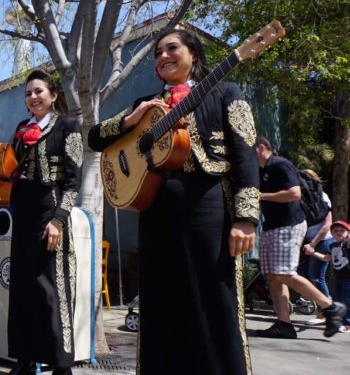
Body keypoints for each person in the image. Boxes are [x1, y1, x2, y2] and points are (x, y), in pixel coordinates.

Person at [87, 31, 260, 375]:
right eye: (158, 52)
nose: (163, 56)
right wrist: (130, 120)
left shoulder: (225, 92)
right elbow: (94, 139)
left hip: (207, 212)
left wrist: (246, 218)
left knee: (213, 305)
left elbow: (246, 155)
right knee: (160, 308)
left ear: (193, 54)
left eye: (172, 48)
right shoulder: (147, 103)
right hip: (156, 216)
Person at [0, 69, 82, 375]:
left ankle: (61, 364)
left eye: (39, 91)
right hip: (23, 213)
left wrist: (59, 220)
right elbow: (7, 167)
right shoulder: (20, 129)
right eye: (28, 93)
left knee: (52, 291)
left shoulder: (67, 126)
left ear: (53, 96)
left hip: (49, 210)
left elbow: (73, 181)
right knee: (23, 289)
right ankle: (25, 359)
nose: (33, 97)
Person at [255, 136, 346, 338]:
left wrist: (260, 196)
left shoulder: (280, 164)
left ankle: (331, 307)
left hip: (289, 225)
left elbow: (294, 194)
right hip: (272, 227)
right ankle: (284, 325)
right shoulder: (264, 171)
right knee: (272, 277)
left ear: (261, 148)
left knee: (284, 273)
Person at [297, 169, 333, 311]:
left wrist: (313, 244)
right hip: (309, 241)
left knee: (317, 276)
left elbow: (327, 224)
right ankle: (309, 300)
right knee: (302, 272)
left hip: (322, 241)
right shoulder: (302, 198)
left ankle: (327, 311)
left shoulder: (322, 196)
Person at [305, 220, 350, 333]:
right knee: (339, 300)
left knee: (346, 301)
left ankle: (348, 324)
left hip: (348, 278)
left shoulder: (347, 243)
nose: (339, 232)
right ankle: (340, 321)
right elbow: (326, 258)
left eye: (342, 230)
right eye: (335, 231)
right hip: (338, 277)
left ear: (348, 232)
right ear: (332, 233)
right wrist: (312, 253)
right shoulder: (332, 245)